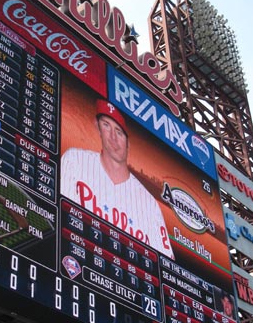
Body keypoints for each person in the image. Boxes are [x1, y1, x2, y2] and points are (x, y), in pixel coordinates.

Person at [61, 100, 174, 258]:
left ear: (128, 143)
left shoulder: (149, 203)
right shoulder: (75, 159)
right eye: (106, 125)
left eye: (119, 132)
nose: (113, 137)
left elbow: (166, 264)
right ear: (98, 128)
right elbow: (61, 216)